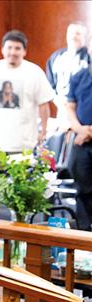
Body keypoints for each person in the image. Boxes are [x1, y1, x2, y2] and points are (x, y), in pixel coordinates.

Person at [0, 30, 54, 155]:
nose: (13, 52)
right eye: (9, 47)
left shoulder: (35, 72)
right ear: (2, 49)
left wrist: (43, 130)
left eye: (17, 48)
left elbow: (43, 104)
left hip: (24, 145)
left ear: (24, 51)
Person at [66, 37, 92, 231]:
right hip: (81, 138)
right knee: (81, 187)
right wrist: (79, 128)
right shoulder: (79, 75)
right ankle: (83, 234)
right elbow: (70, 107)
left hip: (86, 135)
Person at [46, 23, 90, 130]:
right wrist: (58, 102)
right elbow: (49, 84)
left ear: (84, 38)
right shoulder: (56, 57)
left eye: (78, 33)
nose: (73, 36)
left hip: (81, 109)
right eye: (71, 33)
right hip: (61, 106)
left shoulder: (88, 57)